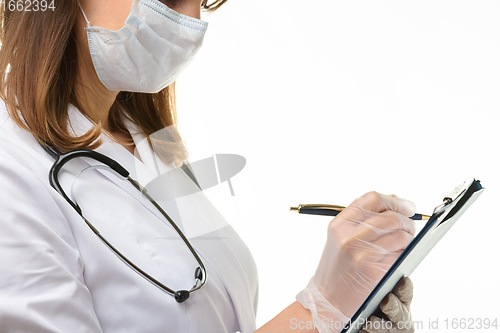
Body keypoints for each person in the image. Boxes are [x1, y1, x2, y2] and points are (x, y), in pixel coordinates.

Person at [0, 1, 416, 332]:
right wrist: (320, 311)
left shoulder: (144, 136)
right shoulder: (11, 171)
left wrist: (348, 316)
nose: (191, 23)